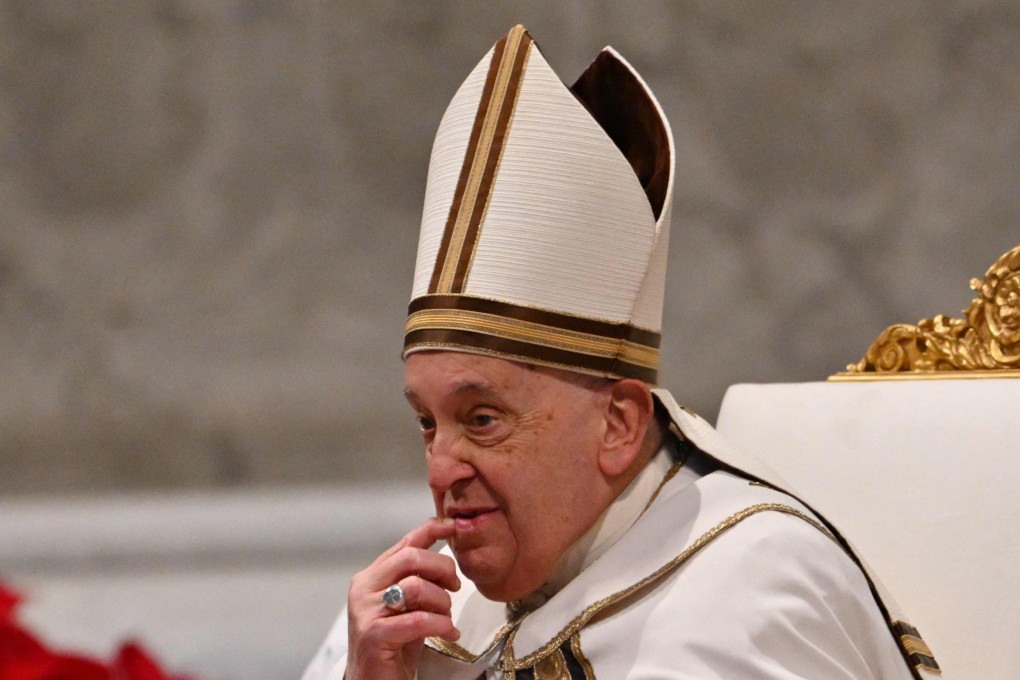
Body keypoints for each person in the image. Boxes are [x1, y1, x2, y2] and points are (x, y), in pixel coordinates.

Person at [303, 25, 941, 680]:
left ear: (619, 423)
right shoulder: (427, 607)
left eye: (483, 419)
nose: (441, 473)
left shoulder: (750, 596)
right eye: (427, 423)